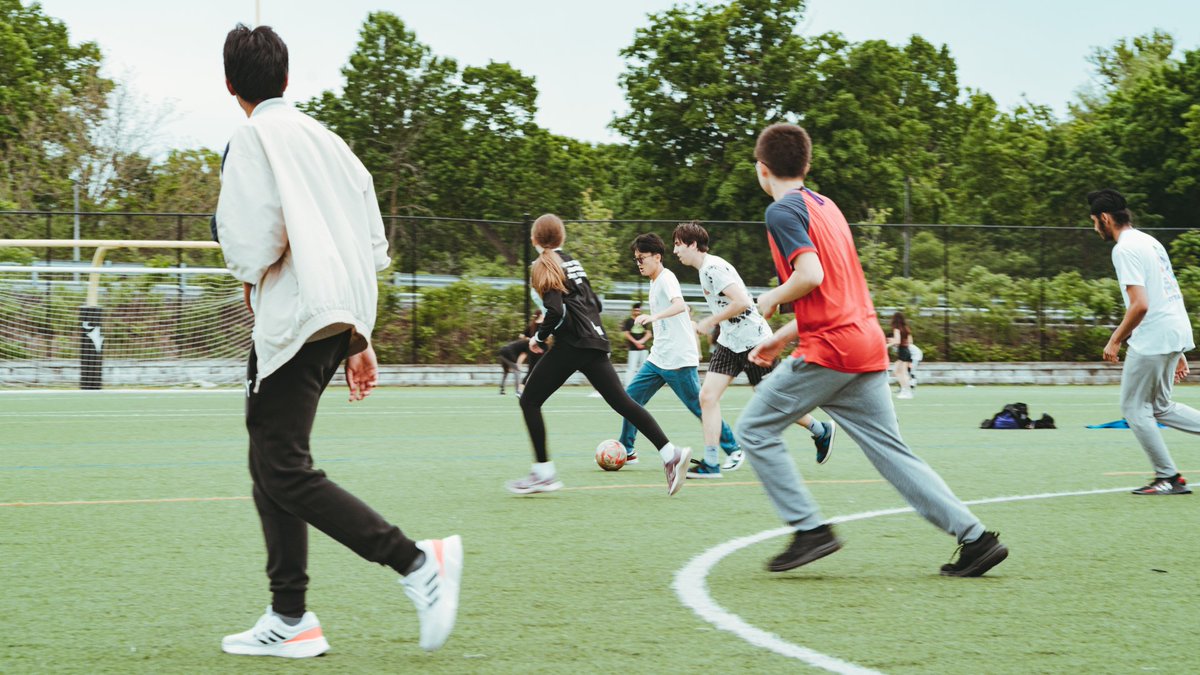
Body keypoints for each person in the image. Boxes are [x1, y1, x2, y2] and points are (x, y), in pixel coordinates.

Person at [213, 25, 461, 658]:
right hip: (340, 312)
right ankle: (289, 615)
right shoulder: (328, 138)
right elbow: (371, 239)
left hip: (297, 314)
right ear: (288, 79)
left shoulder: (251, 137)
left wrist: (255, 272)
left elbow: (252, 244)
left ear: (229, 85)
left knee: (282, 468)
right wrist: (357, 335)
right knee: (270, 461)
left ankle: (415, 562)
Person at [735, 122, 1008, 577]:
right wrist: (780, 336)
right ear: (806, 164)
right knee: (893, 453)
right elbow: (832, 289)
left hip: (832, 350)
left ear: (761, 170)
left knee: (754, 430)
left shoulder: (781, 212)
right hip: (865, 343)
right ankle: (976, 539)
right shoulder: (827, 206)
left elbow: (811, 277)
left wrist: (768, 300)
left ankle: (810, 530)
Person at [507, 214, 692, 496]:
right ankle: (671, 453)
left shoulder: (543, 264)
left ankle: (544, 473)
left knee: (529, 400)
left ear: (534, 239)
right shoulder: (572, 261)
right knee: (623, 402)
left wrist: (538, 337)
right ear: (562, 238)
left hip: (573, 343)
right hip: (595, 338)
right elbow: (596, 303)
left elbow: (555, 311)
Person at [670, 221, 836, 478]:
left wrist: (710, 321)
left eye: (678, 245)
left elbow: (743, 302)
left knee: (773, 400)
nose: (675, 251)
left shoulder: (713, 268)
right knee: (707, 397)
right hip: (730, 342)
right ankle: (712, 463)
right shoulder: (705, 270)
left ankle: (820, 430)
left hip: (754, 342)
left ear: (693, 244)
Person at [1090, 188, 1197, 495]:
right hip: (1172, 331)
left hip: (1153, 337)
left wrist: (1115, 340)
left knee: (1135, 408)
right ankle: (1168, 476)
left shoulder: (1124, 249)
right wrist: (1177, 347)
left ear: (1105, 218)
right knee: (1161, 406)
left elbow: (1141, 304)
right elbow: (1168, 291)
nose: (1094, 227)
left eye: (1094, 221)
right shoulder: (1149, 241)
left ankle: (1168, 477)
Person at [617, 233, 741, 468]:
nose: (639, 264)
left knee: (699, 405)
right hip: (658, 358)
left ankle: (733, 448)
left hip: (678, 359)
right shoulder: (654, 282)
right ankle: (627, 448)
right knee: (629, 400)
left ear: (657, 257)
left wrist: (653, 317)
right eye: (636, 259)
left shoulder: (667, 278)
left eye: (642, 258)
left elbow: (679, 305)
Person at [622, 303, 652, 386]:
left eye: (639, 310)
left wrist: (641, 342)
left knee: (644, 368)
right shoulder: (628, 321)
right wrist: (636, 342)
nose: (637, 312)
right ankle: (628, 385)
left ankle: (643, 385)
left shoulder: (643, 321)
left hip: (643, 348)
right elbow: (627, 334)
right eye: (636, 310)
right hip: (633, 349)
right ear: (632, 311)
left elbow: (649, 333)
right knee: (631, 368)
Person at [887, 312, 915, 399]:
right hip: (906, 350)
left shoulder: (896, 329)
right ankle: (906, 391)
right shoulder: (906, 329)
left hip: (902, 351)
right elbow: (910, 342)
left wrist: (886, 345)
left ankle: (906, 391)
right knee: (900, 372)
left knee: (900, 372)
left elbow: (897, 341)